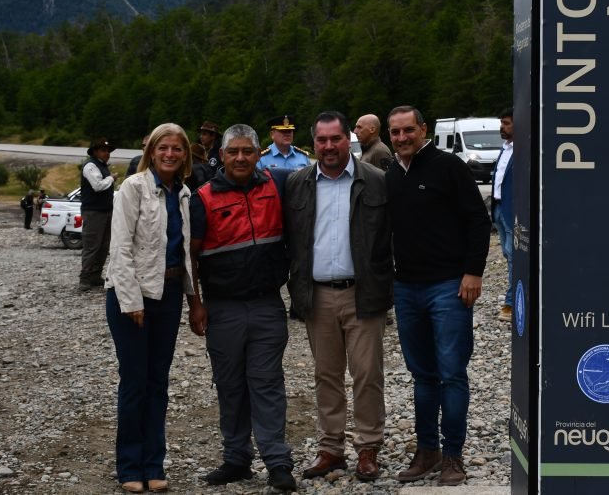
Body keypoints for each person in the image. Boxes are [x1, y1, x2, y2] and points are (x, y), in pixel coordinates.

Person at [385, 105, 490, 487]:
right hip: (407, 287)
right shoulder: (392, 173)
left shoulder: (449, 166)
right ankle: (426, 450)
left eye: (407, 130)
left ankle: (453, 456)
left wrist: (473, 272)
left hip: (448, 285)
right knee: (421, 374)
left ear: (423, 129)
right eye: (394, 132)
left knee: (451, 373)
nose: (401, 138)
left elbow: (478, 220)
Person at [284, 112, 393, 482]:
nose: (328, 147)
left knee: (367, 375)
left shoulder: (377, 180)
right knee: (326, 375)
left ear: (350, 139)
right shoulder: (297, 183)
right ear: (313, 143)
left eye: (336, 139)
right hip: (317, 295)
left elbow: (393, 238)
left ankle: (367, 447)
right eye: (321, 140)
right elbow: (290, 241)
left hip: (363, 294)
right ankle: (331, 448)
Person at [188, 124, 296, 492]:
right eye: (232, 151)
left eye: (247, 151)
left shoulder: (277, 186)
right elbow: (191, 256)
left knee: (267, 383)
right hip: (223, 308)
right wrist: (195, 303)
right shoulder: (202, 198)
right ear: (220, 155)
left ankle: (278, 462)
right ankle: (236, 459)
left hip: (267, 304)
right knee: (230, 385)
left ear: (258, 154)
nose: (239, 158)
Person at [105, 123, 200, 494]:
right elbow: (120, 248)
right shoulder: (133, 187)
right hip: (132, 297)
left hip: (170, 291)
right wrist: (131, 301)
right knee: (134, 382)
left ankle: (153, 462)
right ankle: (129, 465)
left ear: (185, 154)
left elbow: (185, 253)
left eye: (177, 148)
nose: (170, 154)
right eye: (164, 148)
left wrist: (194, 301)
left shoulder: (184, 194)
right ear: (152, 151)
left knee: (158, 382)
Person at [80, 138, 118, 292]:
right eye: (104, 150)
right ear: (95, 151)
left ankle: (95, 275)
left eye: (108, 151)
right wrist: (111, 178)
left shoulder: (102, 166)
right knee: (92, 245)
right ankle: (85, 277)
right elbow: (97, 186)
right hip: (93, 211)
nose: (107, 153)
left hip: (105, 210)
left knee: (104, 245)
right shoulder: (90, 165)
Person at [491, 107, 515, 322]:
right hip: (499, 209)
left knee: (513, 257)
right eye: (502, 123)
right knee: (508, 256)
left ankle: (510, 303)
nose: (502, 127)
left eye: (507, 123)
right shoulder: (505, 148)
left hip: (511, 210)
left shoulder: (523, 150)